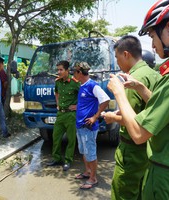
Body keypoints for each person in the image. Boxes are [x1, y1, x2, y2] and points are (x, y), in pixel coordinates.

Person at [107, 0, 169, 199]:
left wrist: (118, 92)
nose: (152, 45)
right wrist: (142, 88)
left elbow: (139, 133)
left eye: (152, 36)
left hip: (167, 179)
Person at [102, 36, 160, 199]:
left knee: (124, 193)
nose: (117, 62)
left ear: (126, 54)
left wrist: (113, 117)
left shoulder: (132, 79)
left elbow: (133, 121)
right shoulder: (153, 74)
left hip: (133, 150)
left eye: (117, 57)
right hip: (149, 149)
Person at [73, 62, 110, 190]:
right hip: (80, 126)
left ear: (79, 72)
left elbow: (105, 100)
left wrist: (95, 116)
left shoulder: (92, 86)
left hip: (89, 128)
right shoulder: (82, 85)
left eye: (75, 71)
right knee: (84, 151)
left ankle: (93, 179)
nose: (73, 74)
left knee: (91, 153)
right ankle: (87, 171)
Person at [46, 60, 80, 171]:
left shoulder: (75, 82)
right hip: (60, 114)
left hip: (71, 115)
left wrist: (77, 106)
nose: (58, 72)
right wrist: (57, 104)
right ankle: (57, 159)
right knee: (56, 137)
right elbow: (56, 93)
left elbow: (84, 96)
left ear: (67, 70)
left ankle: (68, 160)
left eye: (61, 70)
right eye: (58, 70)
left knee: (71, 139)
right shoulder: (57, 82)